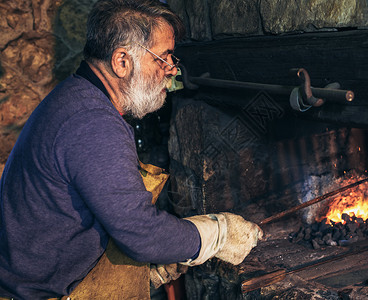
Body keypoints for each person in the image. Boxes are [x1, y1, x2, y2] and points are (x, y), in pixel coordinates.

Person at [0, 0, 263, 299]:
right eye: (162, 58)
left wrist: (144, 264)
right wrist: (219, 233)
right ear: (122, 61)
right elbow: (141, 233)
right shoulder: (93, 124)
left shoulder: (78, 97)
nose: (172, 69)